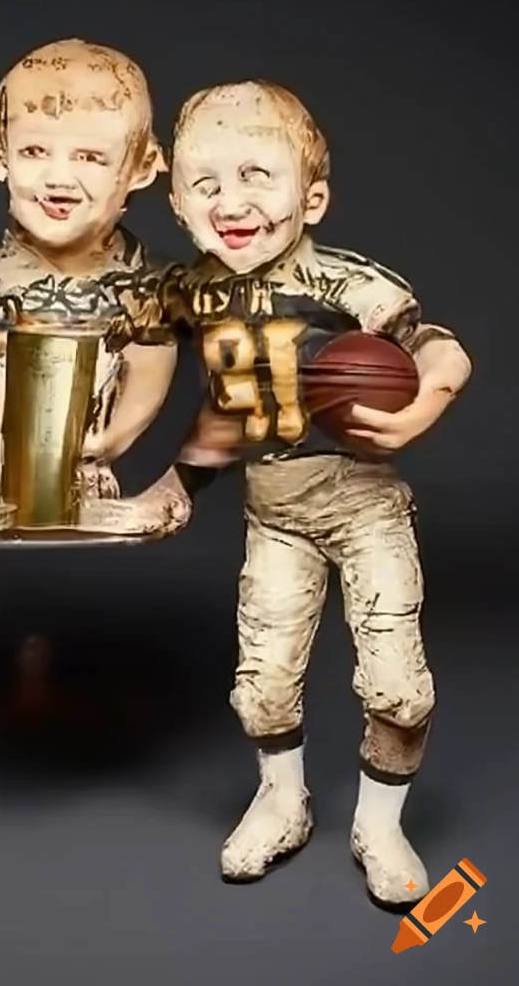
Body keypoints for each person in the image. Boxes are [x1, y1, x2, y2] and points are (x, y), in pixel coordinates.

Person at [143, 80, 472, 906]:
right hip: (274, 510)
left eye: (258, 174)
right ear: (178, 202)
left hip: (362, 502)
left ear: (312, 196)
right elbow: (222, 407)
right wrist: (176, 482)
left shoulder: (344, 284)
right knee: (262, 686)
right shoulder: (192, 291)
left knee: (399, 685)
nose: (232, 199)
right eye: (206, 182)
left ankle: (380, 823)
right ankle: (281, 798)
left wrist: (421, 409)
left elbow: (443, 349)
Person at [0, 37, 190, 535]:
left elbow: (149, 367)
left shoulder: (151, 288)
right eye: (35, 151)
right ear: (1, 158)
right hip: (2, 475)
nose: (58, 179)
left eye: (90, 157)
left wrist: (110, 441)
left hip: (94, 475)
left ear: (142, 167)